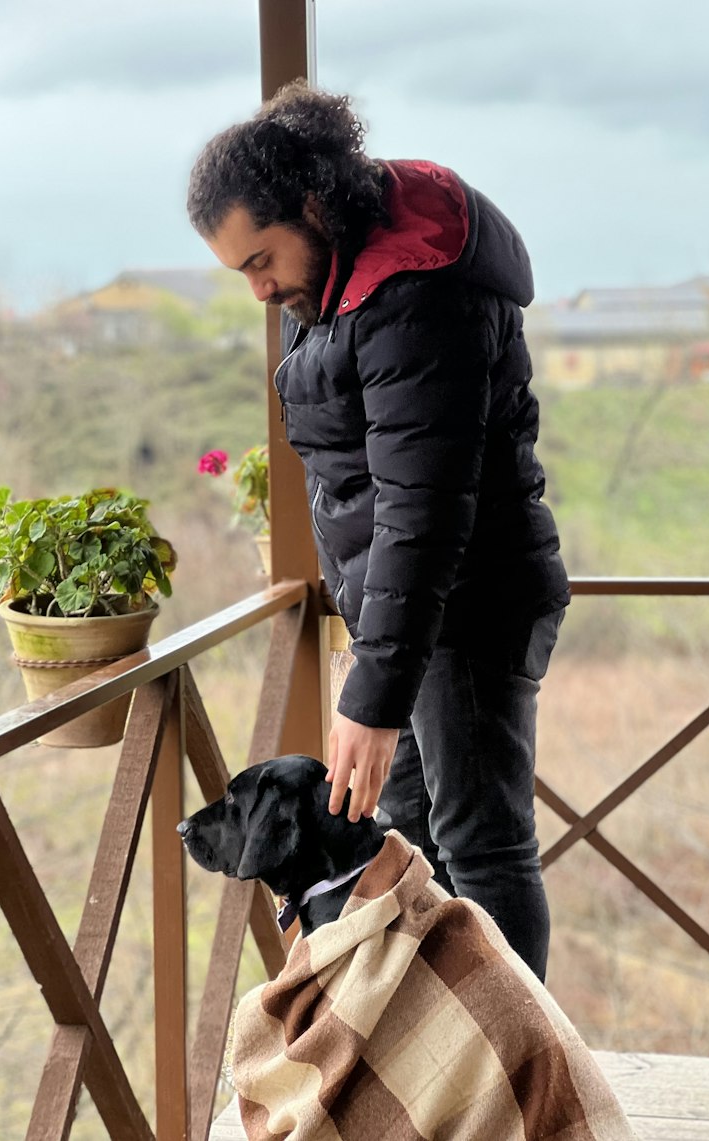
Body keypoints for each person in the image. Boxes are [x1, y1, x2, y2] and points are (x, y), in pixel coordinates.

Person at [187, 83, 568, 979]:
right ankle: (425, 1070)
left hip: (466, 612)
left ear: (313, 206)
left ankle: (512, 1090)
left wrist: (371, 693)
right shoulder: (339, 285)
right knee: (405, 847)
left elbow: (421, 508)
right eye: (239, 270)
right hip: (416, 620)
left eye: (260, 258)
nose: (258, 289)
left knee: (481, 850)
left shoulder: (416, 295)